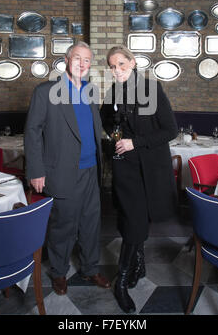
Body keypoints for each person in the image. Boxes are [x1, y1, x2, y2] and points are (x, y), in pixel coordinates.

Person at [24, 41, 111, 296]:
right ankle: (59, 272)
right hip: (62, 171)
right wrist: (36, 170)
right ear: (66, 60)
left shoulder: (91, 91)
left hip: (92, 170)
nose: (82, 64)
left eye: (87, 60)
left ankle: (90, 267)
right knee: (63, 225)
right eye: (77, 58)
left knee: (91, 223)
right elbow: (32, 132)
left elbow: (94, 129)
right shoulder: (45, 91)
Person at [100, 46, 178, 313]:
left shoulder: (151, 90)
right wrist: (116, 136)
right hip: (125, 168)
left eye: (121, 64)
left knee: (139, 220)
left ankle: (128, 274)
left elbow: (171, 130)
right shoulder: (114, 92)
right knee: (132, 219)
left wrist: (135, 142)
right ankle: (127, 276)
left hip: (150, 169)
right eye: (112, 66)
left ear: (132, 63)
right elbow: (105, 120)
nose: (117, 70)